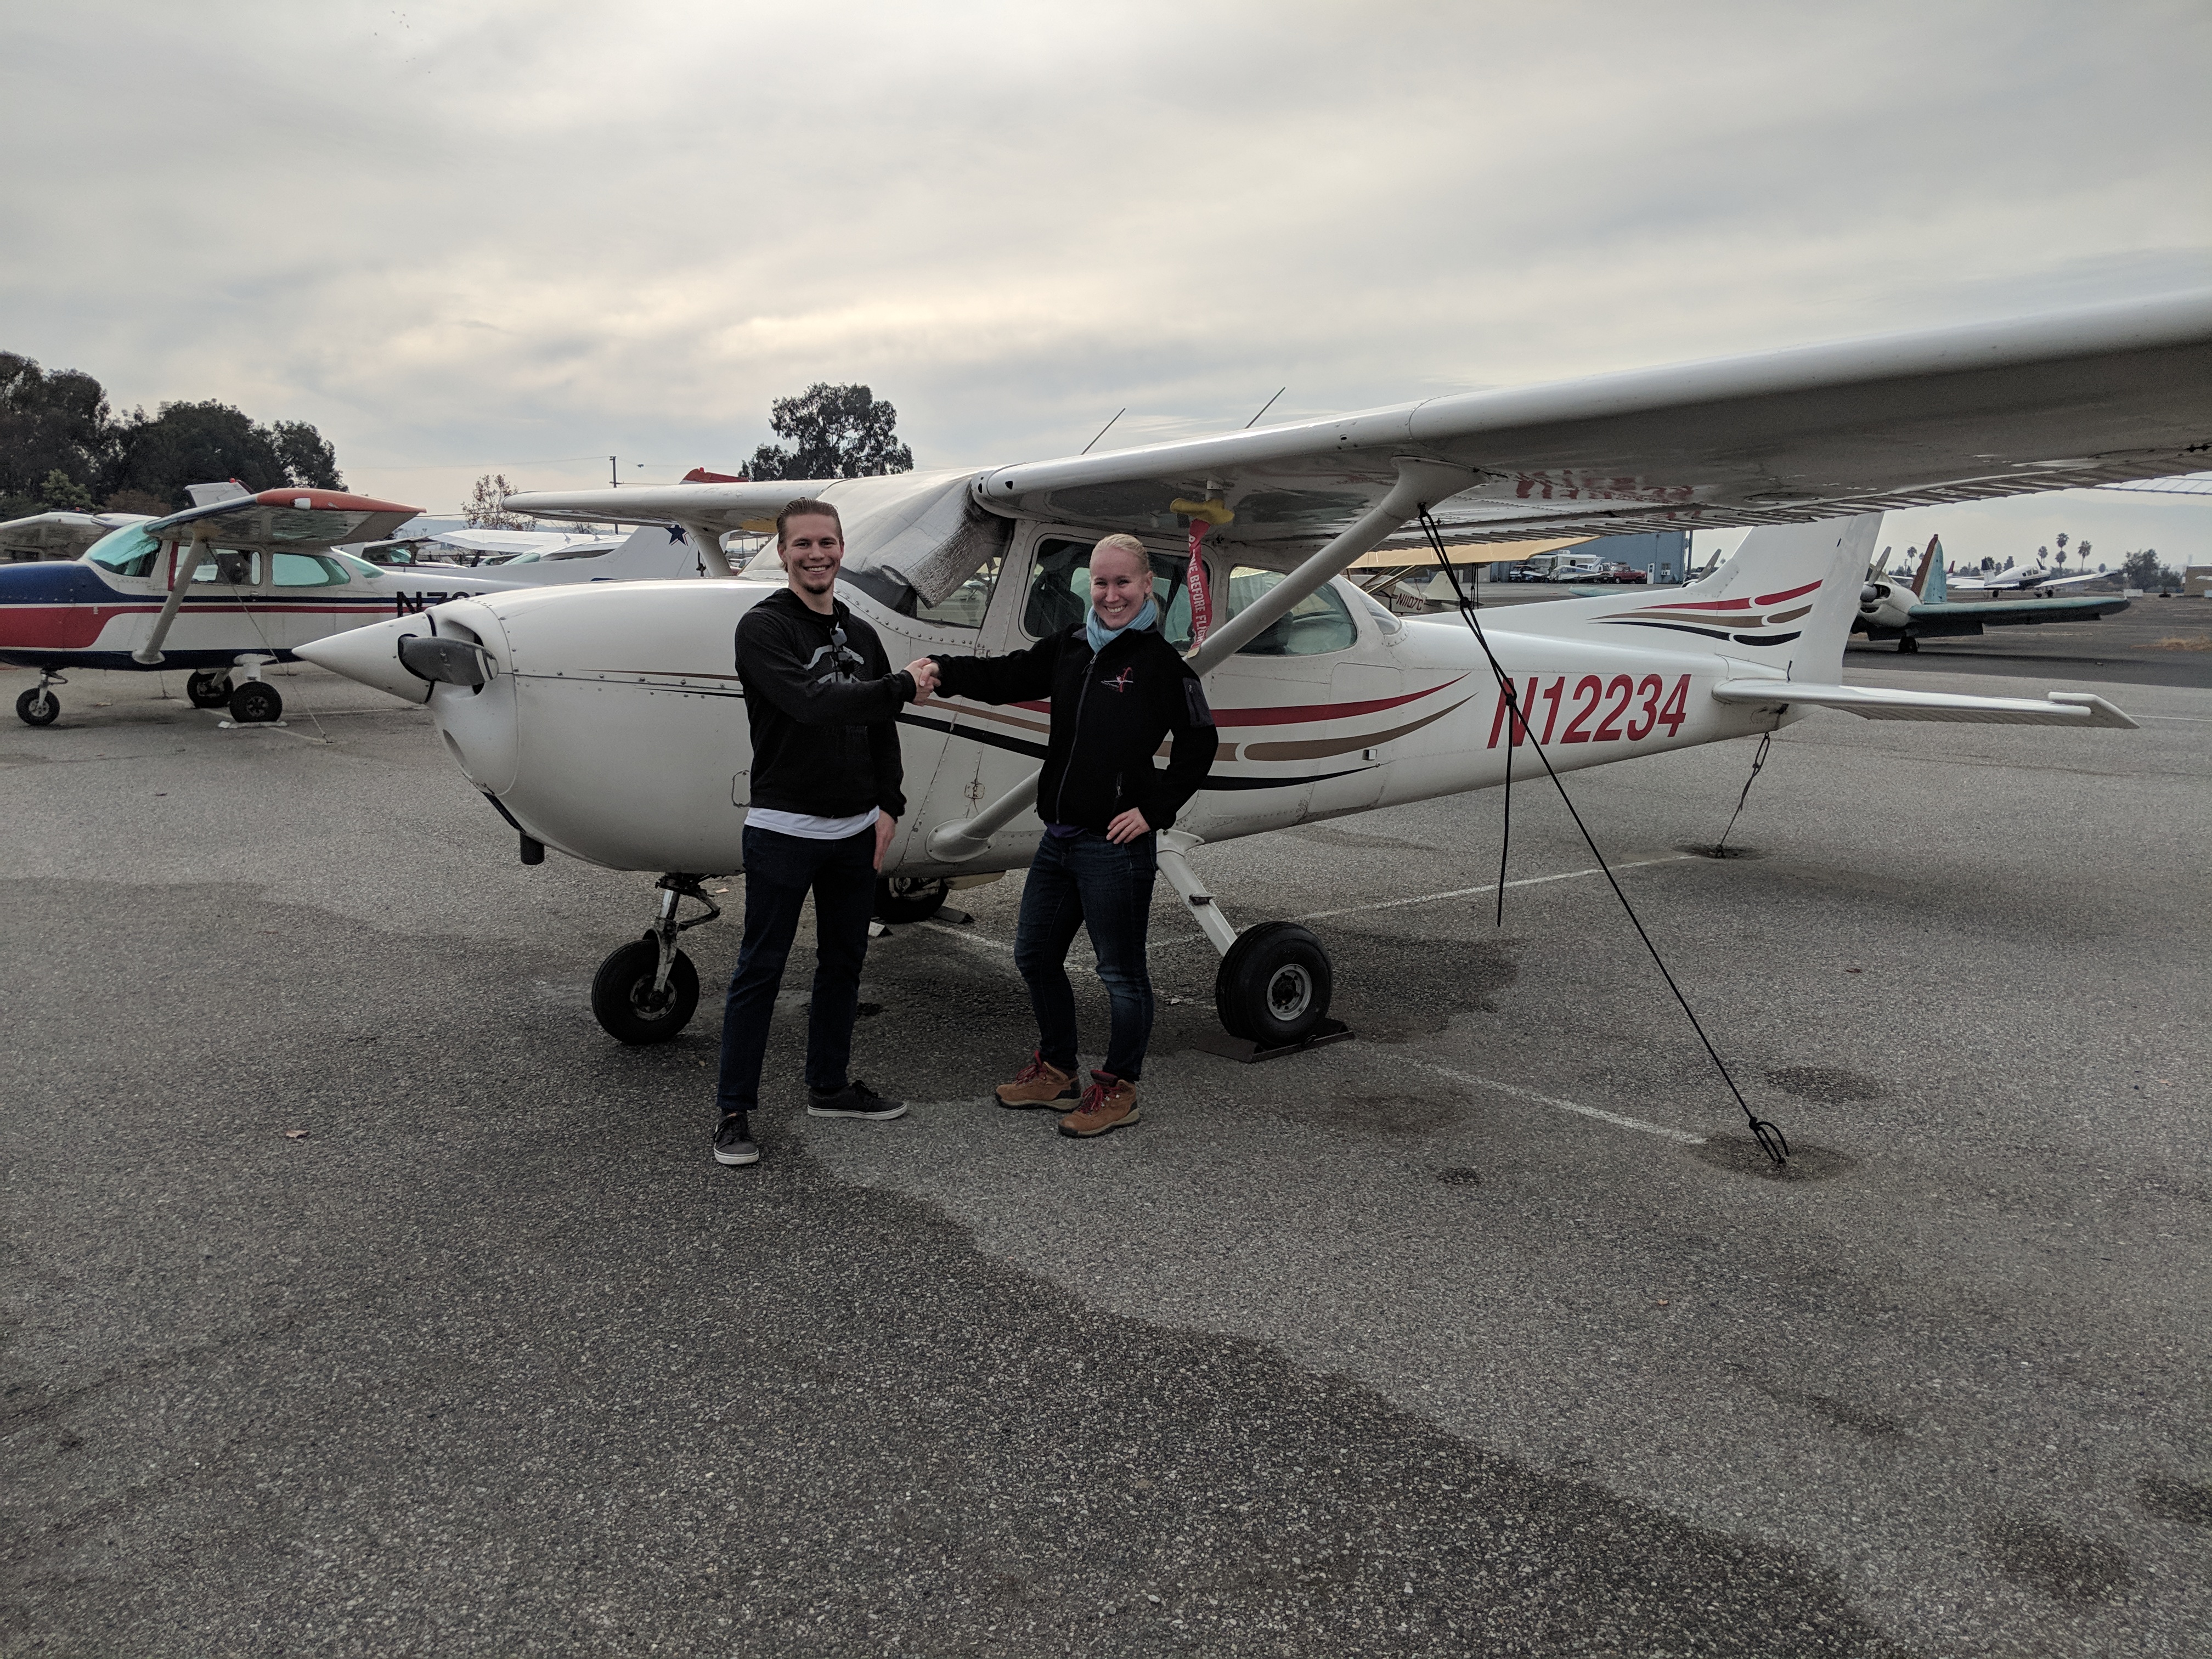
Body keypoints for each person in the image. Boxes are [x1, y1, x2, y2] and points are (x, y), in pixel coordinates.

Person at [911, 533, 1218, 1138]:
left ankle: (1120, 1088)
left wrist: (1154, 812)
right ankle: (1057, 1069)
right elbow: (1006, 676)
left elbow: (1199, 743)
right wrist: (942, 671)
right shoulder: (1073, 647)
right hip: (1060, 839)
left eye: (1122, 582)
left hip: (1115, 848)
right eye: (1099, 583)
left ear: (1146, 585)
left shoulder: (1160, 664)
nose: (1109, 595)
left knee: (1120, 974)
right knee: (1034, 955)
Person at [713, 499, 923, 1167]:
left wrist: (888, 804)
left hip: (856, 831)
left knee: (844, 964)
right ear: (783, 553)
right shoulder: (763, 628)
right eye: (802, 543)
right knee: (760, 970)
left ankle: (828, 1085)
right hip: (782, 828)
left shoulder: (861, 634)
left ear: (840, 550)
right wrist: (900, 687)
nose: (816, 554)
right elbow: (813, 703)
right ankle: (733, 1111)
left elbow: (882, 727)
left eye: (827, 542)